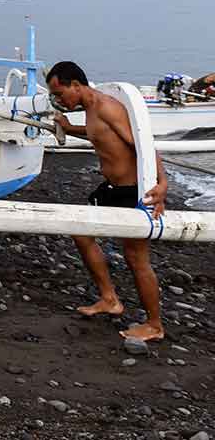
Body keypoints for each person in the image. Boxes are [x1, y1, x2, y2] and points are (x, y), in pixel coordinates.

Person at [47, 61, 168, 342]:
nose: (59, 100)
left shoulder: (107, 107)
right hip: (111, 189)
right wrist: (69, 127)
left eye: (60, 93)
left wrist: (162, 185)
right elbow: (98, 134)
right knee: (82, 234)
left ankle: (154, 324)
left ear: (76, 85)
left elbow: (144, 146)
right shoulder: (90, 109)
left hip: (132, 191)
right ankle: (109, 299)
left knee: (137, 259)